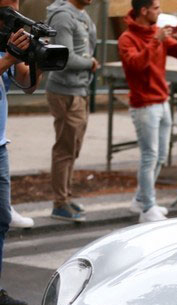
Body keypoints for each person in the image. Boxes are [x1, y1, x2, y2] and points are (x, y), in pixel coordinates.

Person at [119, 0, 177, 223]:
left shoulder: (156, 33)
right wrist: (154, 43)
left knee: (160, 155)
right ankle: (148, 207)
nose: (160, 12)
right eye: (157, 8)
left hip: (162, 101)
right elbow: (135, 66)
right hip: (144, 104)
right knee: (149, 156)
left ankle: (141, 200)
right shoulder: (127, 39)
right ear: (144, 10)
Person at [0, 0, 44, 305]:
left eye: (16, 5)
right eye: (7, 6)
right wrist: (9, 57)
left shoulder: (9, 39)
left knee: (2, 219)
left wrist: (36, 57)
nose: (13, 11)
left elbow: (28, 86)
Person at [45, 0, 98, 223]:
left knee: (72, 147)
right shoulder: (63, 16)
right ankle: (59, 203)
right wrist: (90, 63)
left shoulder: (81, 14)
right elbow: (64, 57)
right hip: (66, 91)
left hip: (79, 88)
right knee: (65, 148)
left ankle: (65, 197)